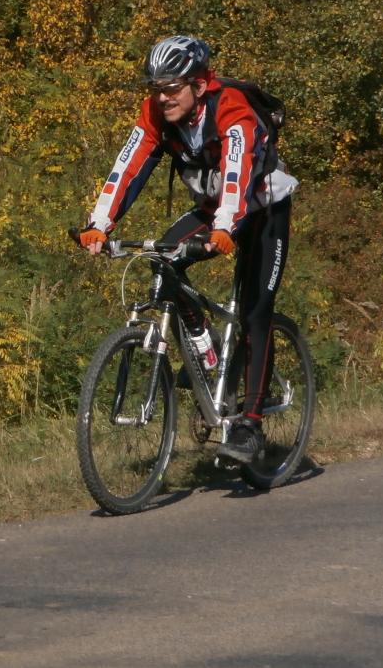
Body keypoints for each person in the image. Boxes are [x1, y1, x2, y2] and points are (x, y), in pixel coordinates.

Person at [77, 35, 298, 464]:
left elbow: (238, 168)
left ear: (199, 84)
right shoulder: (157, 114)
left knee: (256, 309)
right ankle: (204, 342)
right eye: (155, 88)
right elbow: (130, 163)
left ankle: (250, 424)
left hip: (262, 207)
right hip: (215, 208)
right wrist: (98, 224)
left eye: (171, 87)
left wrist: (224, 228)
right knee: (163, 261)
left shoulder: (230, 105)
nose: (162, 97)